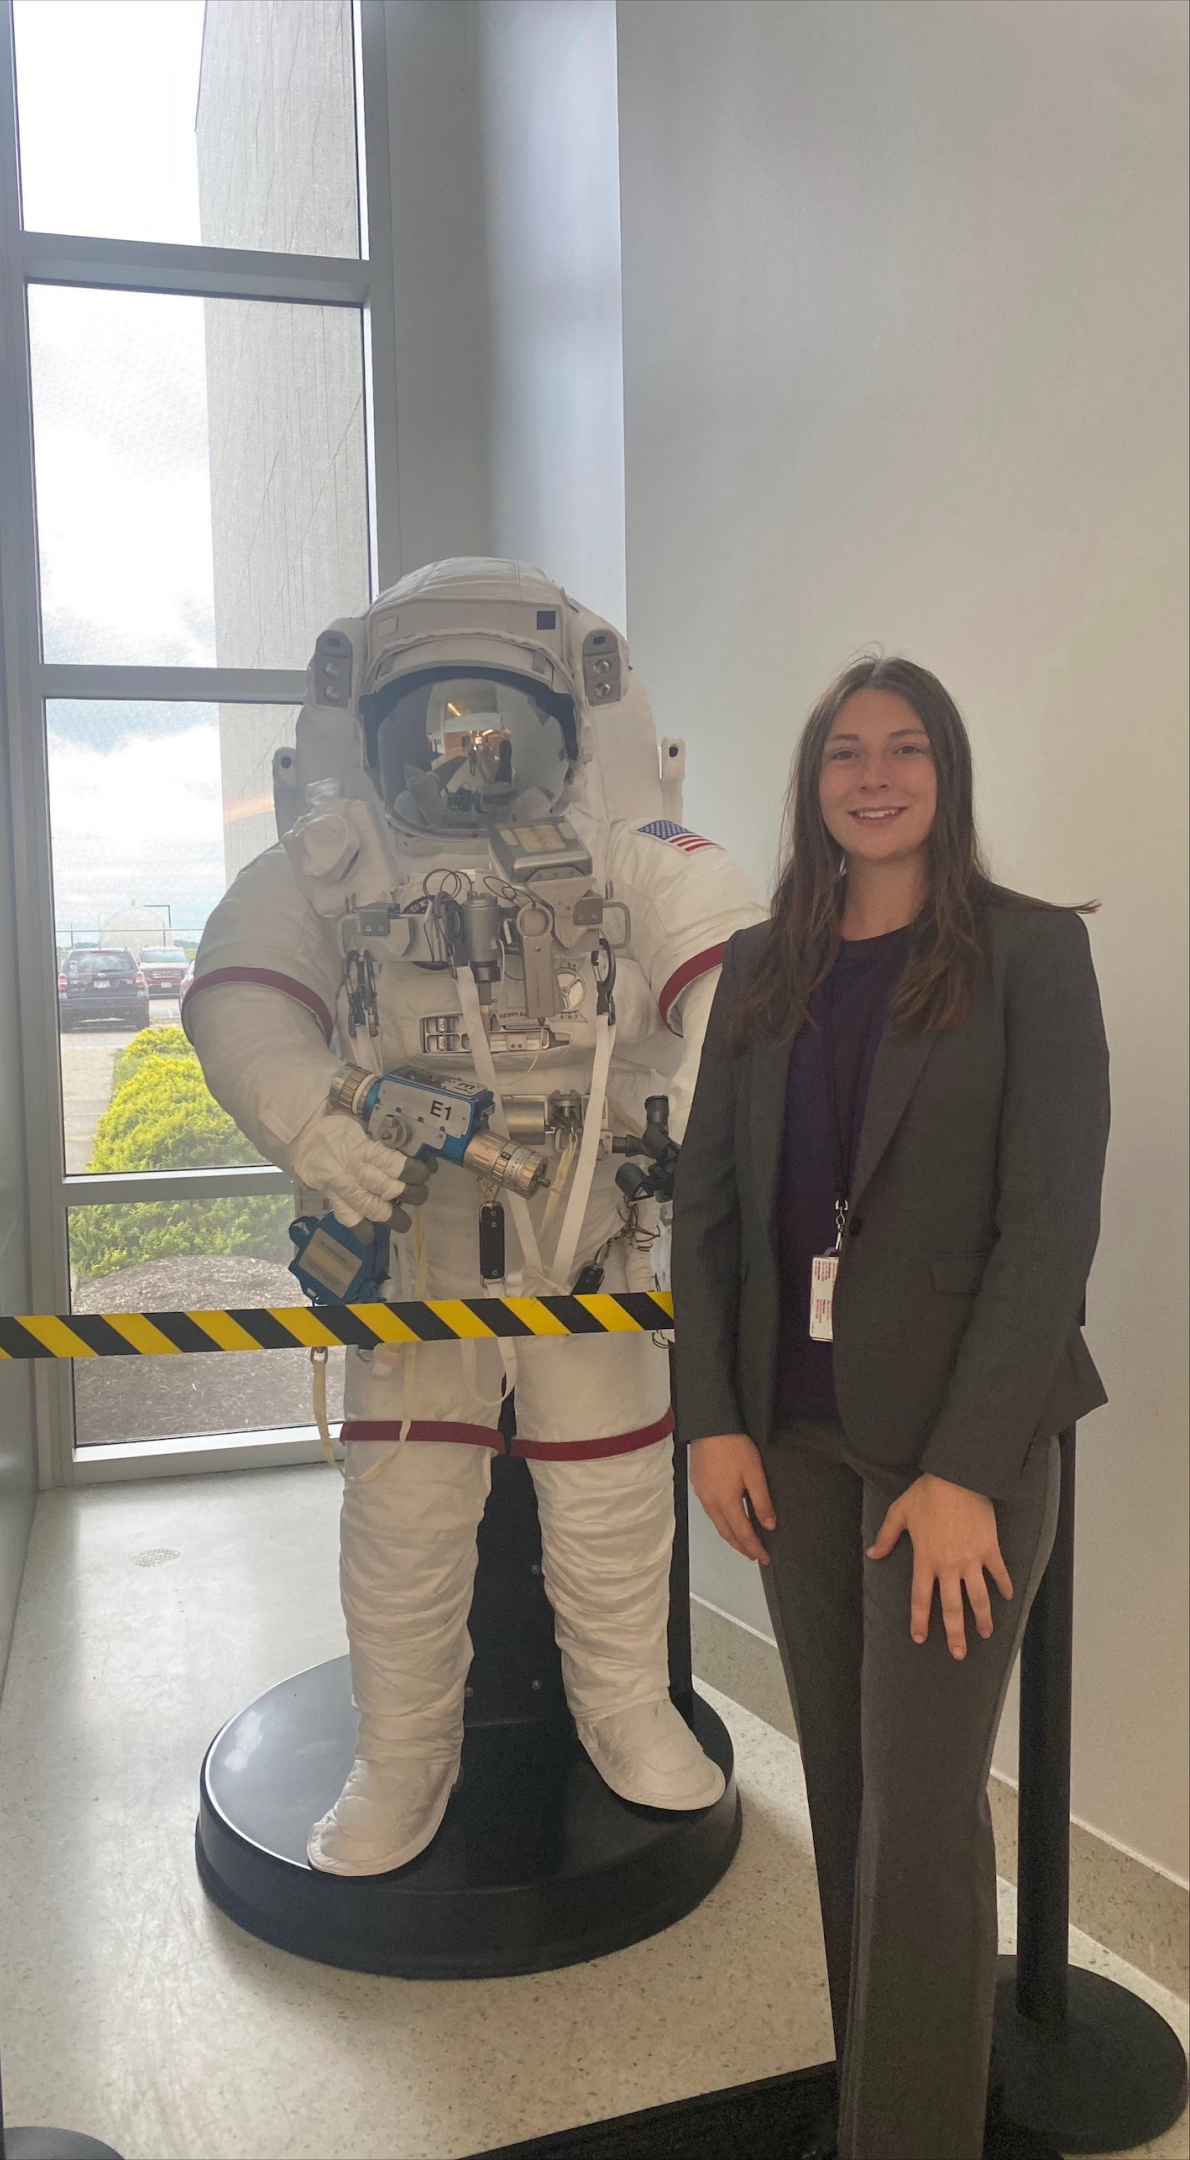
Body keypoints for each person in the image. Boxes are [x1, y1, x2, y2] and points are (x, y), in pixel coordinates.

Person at [184, 557, 763, 1877]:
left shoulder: (630, 852)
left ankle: (626, 1709)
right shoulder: (331, 862)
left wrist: (733, 1107)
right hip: (414, 1230)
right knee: (405, 1504)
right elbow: (239, 991)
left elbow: (739, 965)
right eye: (432, 721)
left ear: (562, 729)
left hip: (585, 1226)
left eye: (490, 718)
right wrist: (313, 1127)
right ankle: (402, 1753)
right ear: (379, 731)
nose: (463, 752)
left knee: (610, 1486)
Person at [672, 656, 1109, 2160]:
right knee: (852, 1800)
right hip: (789, 1441)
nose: (873, 775)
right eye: (844, 752)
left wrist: (969, 1469)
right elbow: (709, 1215)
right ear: (810, 783)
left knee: (921, 1821)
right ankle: (888, 2105)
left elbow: (1048, 1229)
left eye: (903, 748)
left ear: (945, 773)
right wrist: (710, 1422)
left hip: (953, 1460)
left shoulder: (1028, 953)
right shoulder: (759, 968)